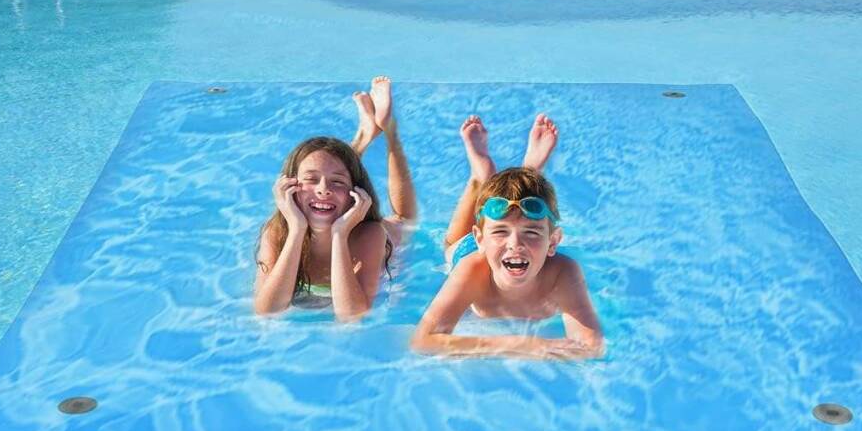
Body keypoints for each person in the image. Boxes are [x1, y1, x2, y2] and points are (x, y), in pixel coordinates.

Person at [411, 114, 603, 360]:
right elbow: (423, 341)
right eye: (502, 231)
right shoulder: (472, 269)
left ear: (553, 242)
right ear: (480, 239)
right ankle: (481, 175)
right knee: (450, 245)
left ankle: (527, 175)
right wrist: (522, 344)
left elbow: (592, 346)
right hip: (470, 249)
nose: (515, 244)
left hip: (497, 245)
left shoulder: (563, 272)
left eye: (531, 232)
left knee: (515, 209)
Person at [254, 76, 417, 321]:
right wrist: (297, 230)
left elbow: (351, 315)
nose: (323, 190)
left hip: (368, 230)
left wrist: (340, 234)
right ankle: (364, 134)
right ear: (289, 186)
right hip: (311, 220)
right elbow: (268, 310)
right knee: (334, 170)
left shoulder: (370, 234)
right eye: (309, 179)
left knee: (405, 220)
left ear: (355, 194)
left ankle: (389, 130)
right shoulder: (277, 232)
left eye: (338, 183)